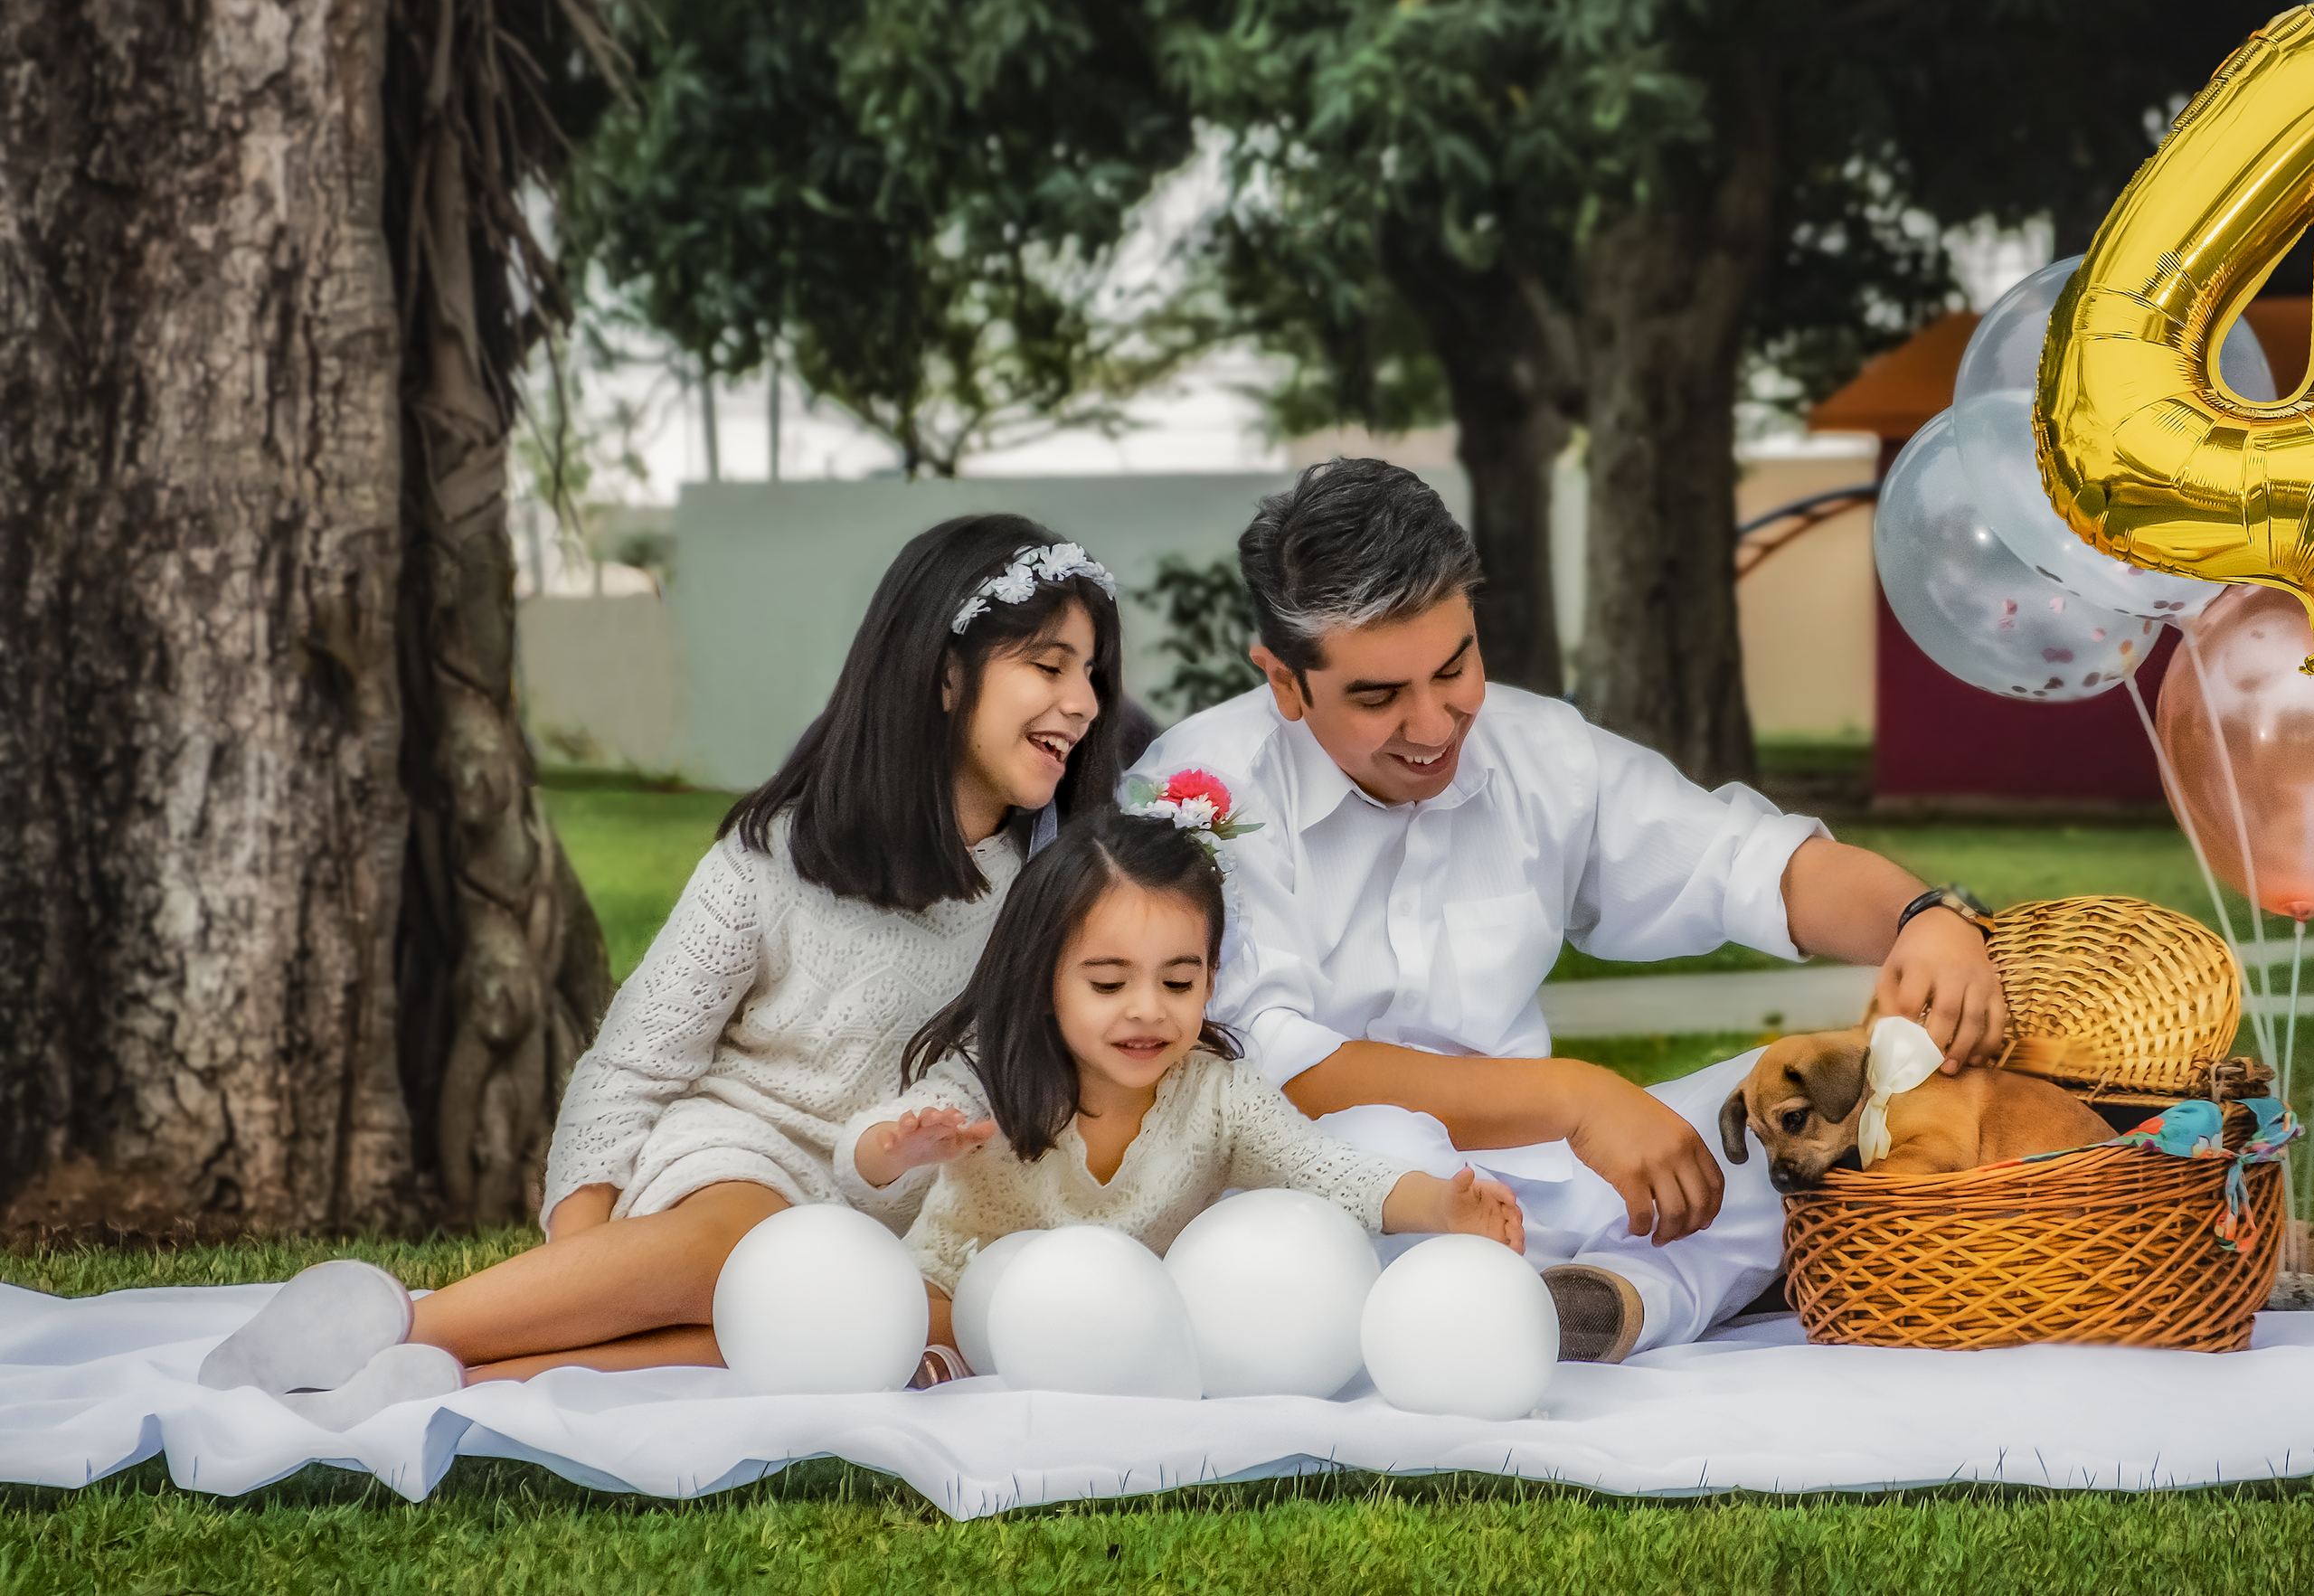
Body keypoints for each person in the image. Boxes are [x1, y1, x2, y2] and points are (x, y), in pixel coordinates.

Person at [194, 516, 1128, 1425]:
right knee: (752, 1244)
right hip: (733, 1167)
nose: (1083, 703)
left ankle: (450, 1375)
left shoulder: (1047, 896)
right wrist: (594, 1259)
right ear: (945, 672)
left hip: (878, 1225)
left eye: (1091, 674)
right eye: (1048, 666)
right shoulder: (777, 857)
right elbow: (631, 1063)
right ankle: (386, 1324)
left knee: (877, 1321)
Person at [1129, 459, 2009, 1364]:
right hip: (1333, 1182)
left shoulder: (1537, 747)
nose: (1434, 726)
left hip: (1559, 1174)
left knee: (1822, 1102)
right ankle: (1625, 1291)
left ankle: (1601, 1302)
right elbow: (1271, 1070)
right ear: (1283, 681)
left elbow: (1747, 863)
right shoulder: (1197, 789)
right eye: (1378, 696)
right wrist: (1574, 1097)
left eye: (1453, 667)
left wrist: (1926, 914)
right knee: (1377, 1146)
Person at [841, 797, 1523, 1378]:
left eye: (1177, 982)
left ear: (1210, 978)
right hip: (969, 1294)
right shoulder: (989, 1076)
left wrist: (1442, 1206)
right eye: (1108, 983)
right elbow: (863, 1157)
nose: (1147, 1009)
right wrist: (897, 1149)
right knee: (920, 1307)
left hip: (1128, 1325)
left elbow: (1330, 1170)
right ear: (1042, 977)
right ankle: (944, 1368)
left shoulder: (1220, 1097)